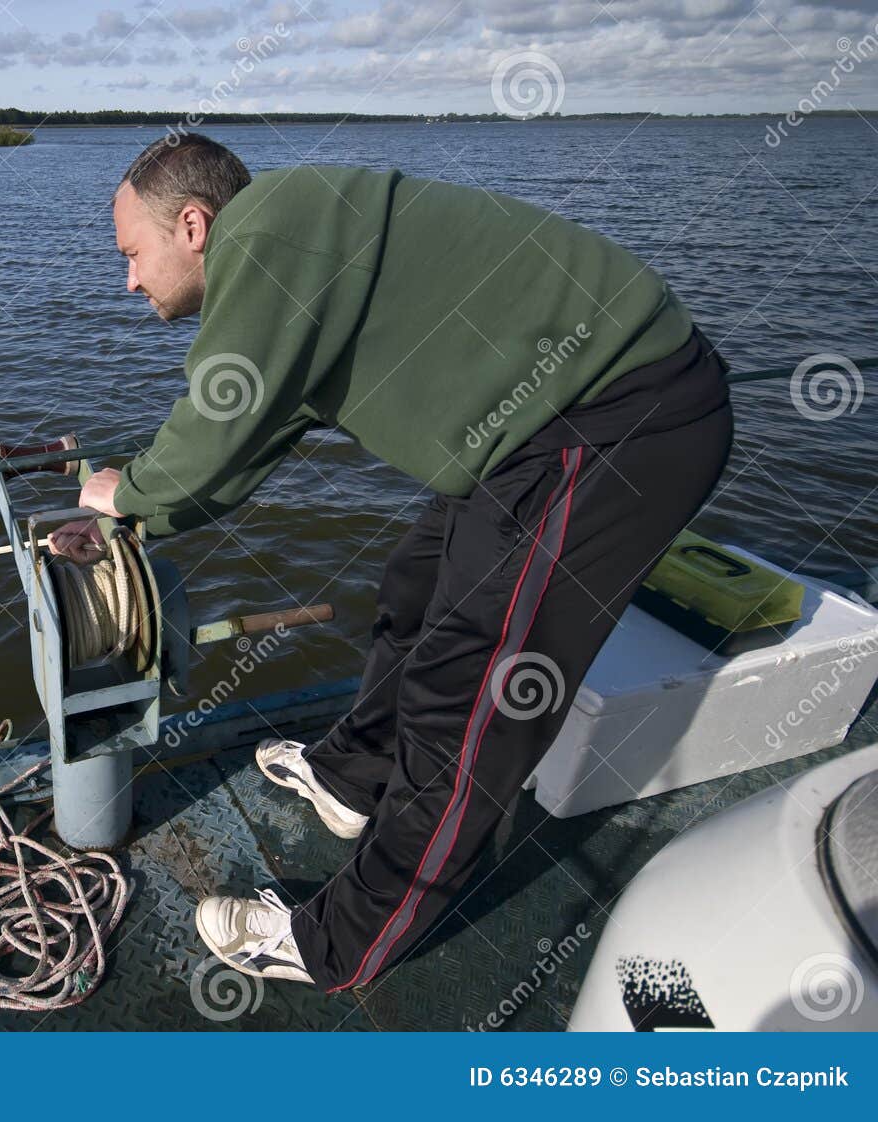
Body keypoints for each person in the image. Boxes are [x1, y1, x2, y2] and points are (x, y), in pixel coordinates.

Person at [50, 133, 734, 993]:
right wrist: (146, 515)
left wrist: (129, 491)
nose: (128, 281)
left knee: (470, 693)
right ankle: (352, 777)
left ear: (193, 226)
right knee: (415, 587)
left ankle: (342, 943)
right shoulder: (293, 253)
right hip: (537, 428)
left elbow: (221, 414)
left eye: (131, 254)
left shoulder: (262, 232)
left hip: (619, 417)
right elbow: (255, 431)